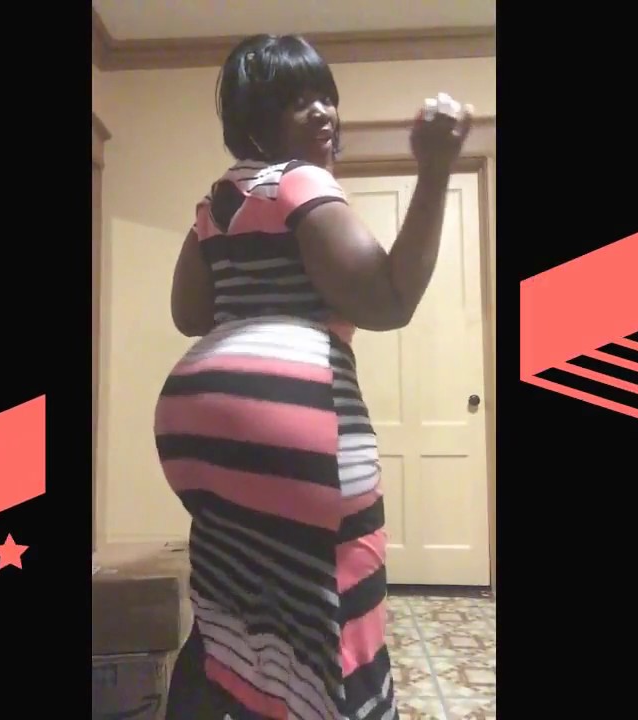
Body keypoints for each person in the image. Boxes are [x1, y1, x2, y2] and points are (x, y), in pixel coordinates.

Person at [153, 32, 474, 719]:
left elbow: (189, 315)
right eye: (298, 102)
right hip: (300, 431)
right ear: (257, 120)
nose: (323, 112)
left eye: (326, 96)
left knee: (234, 602)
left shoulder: (216, 204)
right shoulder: (299, 182)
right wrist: (436, 167)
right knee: (336, 603)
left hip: (198, 440)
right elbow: (389, 300)